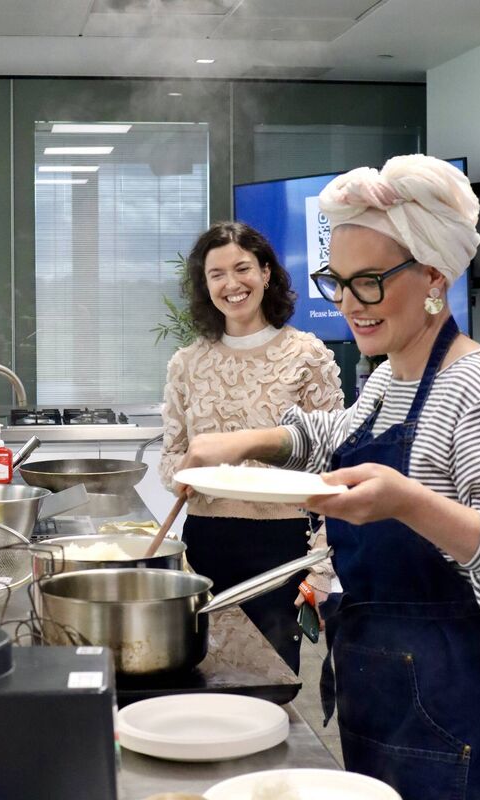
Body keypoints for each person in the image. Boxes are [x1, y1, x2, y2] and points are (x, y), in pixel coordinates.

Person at [178, 156, 480, 800]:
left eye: (370, 281)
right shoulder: (387, 376)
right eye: (338, 281)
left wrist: (406, 501)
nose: (350, 303)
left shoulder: (475, 388)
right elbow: (333, 435)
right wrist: (250, 441)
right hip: (376, 683)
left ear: (434, 275)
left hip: (452, 701)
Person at [159, 221, 343, 673]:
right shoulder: (187, 363)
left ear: (265, 273)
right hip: (205, 542)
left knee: (271, 680)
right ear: (205, 286)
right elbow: (169, 460)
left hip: (282, 546)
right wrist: (188, 467)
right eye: (216, 274)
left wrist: (321, 568)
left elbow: (337, 467)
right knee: (202, 673)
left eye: (242, 268)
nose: (231, 284)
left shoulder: (308, 355)